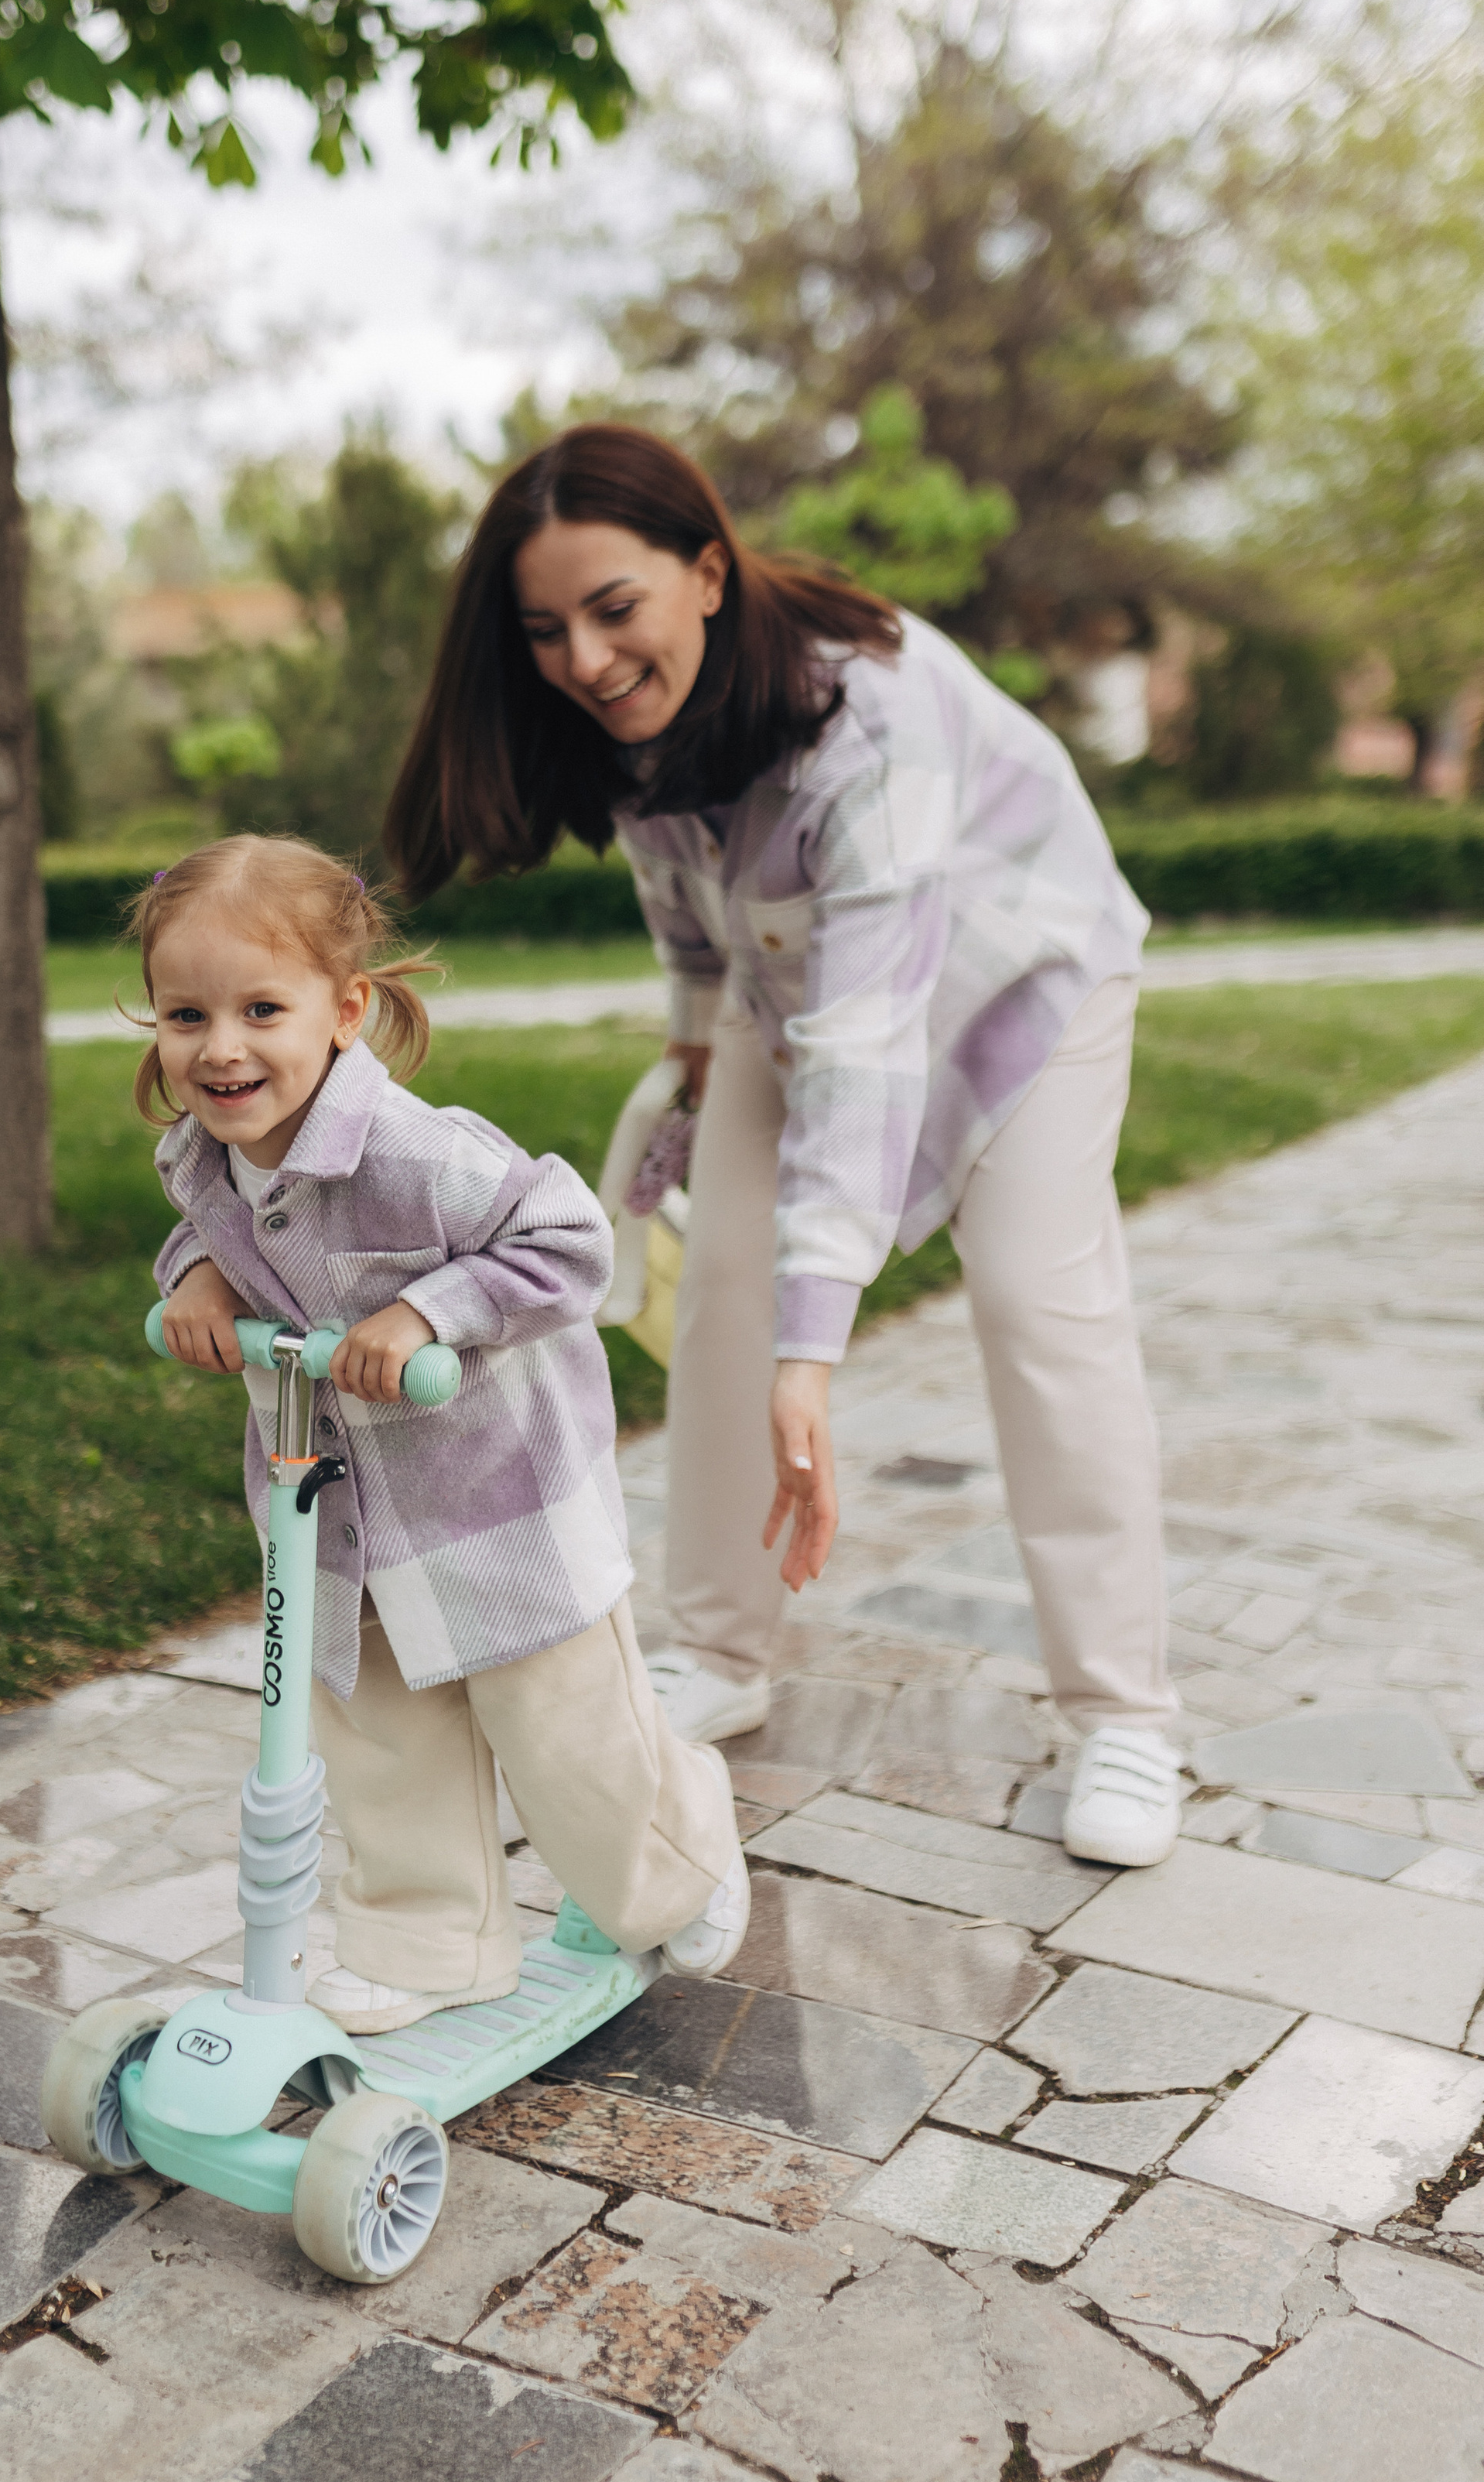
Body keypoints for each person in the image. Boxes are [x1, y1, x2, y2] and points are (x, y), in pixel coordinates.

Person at [384, 426, 1182, 1871]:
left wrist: (822, 1351)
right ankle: (722, 1652)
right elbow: (682, 890)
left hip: (1017, 976)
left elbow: (866, 1059)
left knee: (1035, 1303)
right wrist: (695, 1047)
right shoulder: (628, 713)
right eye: (545, 630)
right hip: (796, 979)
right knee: (725, 1294)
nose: (584, 658)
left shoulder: (859, 716)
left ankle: (1122, 1715)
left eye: (613, 609)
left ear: (705, 570)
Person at [140, 833, 750, 2032]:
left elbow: (572, 1242)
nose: (220, 1047)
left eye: (262, 1007)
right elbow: (206, 1234)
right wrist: (199, 1279)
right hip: (334, 1518)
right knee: (378, 1744)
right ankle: (430, 1948)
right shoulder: (199, 1158)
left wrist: (428, 1308)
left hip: (495, 1505)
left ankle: (682, 1863)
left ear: (345, 1009)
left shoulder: (423, 1154)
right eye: (183, 1014)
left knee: (566, 1738)